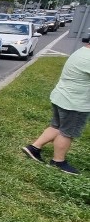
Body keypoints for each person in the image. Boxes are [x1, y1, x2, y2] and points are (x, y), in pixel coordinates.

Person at [22, 42, 90, 175]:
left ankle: (34, 148)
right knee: (67, 133)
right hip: (74, 103)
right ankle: (58, 161)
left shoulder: (82, 51)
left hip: (61, 96)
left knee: (56, 126)